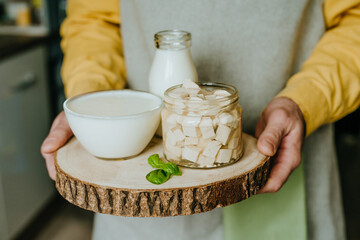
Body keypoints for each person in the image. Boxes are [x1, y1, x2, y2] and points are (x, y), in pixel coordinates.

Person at [41, 0, 360, 239]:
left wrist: (306, 100)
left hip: (287, 164)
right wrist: (92, 101)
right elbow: (94, 20)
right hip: (139, 188)